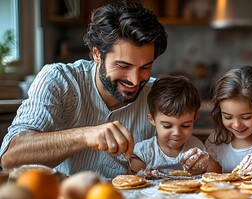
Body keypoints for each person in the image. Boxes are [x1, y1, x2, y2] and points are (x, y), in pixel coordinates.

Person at [0, 2, 168, 178]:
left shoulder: (157, 95)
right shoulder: (59, 81)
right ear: (97, 54)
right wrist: (84, 135)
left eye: (145, 67)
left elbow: (179, 156)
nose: (134, 80)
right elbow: (10, 159)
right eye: (123, 65)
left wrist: (194, 157)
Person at [127, 75, 221, 175]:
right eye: (167, 126)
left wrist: (206, 163)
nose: (177, 133)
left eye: (185, 126)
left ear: (194, 119)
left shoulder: (195, 147)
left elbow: (216, 172)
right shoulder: (144, 151)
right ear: (152, 119)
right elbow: (131, 179)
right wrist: (141, 174)